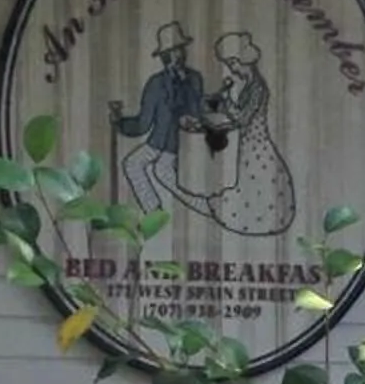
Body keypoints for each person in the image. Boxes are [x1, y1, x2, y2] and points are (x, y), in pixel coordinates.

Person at [178, 31, 296, 238]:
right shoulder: (251, 86)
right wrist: (205, 123)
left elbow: (242, 118)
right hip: (249, 143)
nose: (232, 69)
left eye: (231, 64)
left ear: (238, 61)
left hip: (257, 146)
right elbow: (236, 120)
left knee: (255, 187)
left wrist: (225, 103)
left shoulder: (258, 88)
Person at [113, 20, 207, 212]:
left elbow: (197, 113)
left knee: (165, 175)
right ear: (165, 57)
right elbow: (143, 123)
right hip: (156, 144)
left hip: (179, 146)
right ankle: (154, 210)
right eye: (172, 52)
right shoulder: (155, 84)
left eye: (180, 50)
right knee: (133, 165)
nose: (178, 56)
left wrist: (184, 86)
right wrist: (120, 122)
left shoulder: (194, 79)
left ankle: (205, 207)